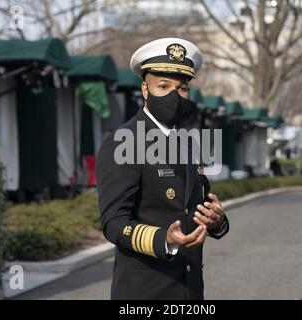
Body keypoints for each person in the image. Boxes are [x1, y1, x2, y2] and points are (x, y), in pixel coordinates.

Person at [96, 38, 229, 300]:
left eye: (181, 88)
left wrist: (217, 221)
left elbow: (196, 207)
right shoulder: (122, 142)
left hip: (189, 290)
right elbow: (113, 223)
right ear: (145, 90)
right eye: (163, 86)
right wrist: (165, 240)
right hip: (145, 292)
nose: (173, 95)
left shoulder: (189, 144)